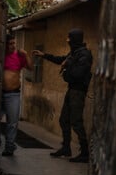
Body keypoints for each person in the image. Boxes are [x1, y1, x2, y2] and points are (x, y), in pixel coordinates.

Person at [32, 29, 93, 163]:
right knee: (64, 120)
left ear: (75, 39)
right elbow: (61, 60)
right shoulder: (74, 53)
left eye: (69, 38)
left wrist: (66, 67)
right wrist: (44, 55)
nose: (67, 40)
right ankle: (66, 148)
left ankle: (85, 152)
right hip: (72, 91)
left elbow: (78, 73)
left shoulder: (84, 55)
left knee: (76, 122)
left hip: (78, 92)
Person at [1, 34, 31, 156]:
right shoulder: (1, 56)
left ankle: (9, 146)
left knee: (12, 122)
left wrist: (26, 55)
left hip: (13, 94)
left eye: (14, 43)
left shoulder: (18, 56)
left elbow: (30, 67)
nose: (13, 46)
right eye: (10, 44)